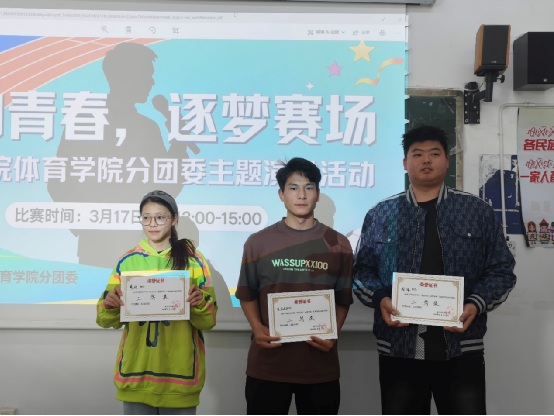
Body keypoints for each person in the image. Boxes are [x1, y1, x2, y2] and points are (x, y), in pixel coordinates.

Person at [353, 126, 516, 415]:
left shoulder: (476, 210)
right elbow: (361, 272)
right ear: (405, 163)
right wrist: (381, 299)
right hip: (399, 348)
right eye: (417, 154)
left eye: (434, 153)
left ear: (447, 161)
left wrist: (474, 304)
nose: (426, 160)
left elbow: (502, 270)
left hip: (461, 347)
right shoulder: (381, 214)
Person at [236, 158, 353, 416]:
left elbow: (343, 299)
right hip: (268, 366)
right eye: (293, 188)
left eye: (309, 188)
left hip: (319, 367)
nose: (301, 195)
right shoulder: (258, 242)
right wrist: (257, 327)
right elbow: (246, 293)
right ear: (281, 194)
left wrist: (334, 333)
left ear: (318, 194)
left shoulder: (339, 244)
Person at [96, 190, 217, 415]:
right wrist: (110, 306)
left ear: (174, 219)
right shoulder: (127, 261)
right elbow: (103, 318)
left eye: (160, 217)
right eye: (146, 217)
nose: (152, 223)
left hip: (180, 377)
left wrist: (199, 303)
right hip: (135, 374)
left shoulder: (194, 260)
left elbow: (209, 320)